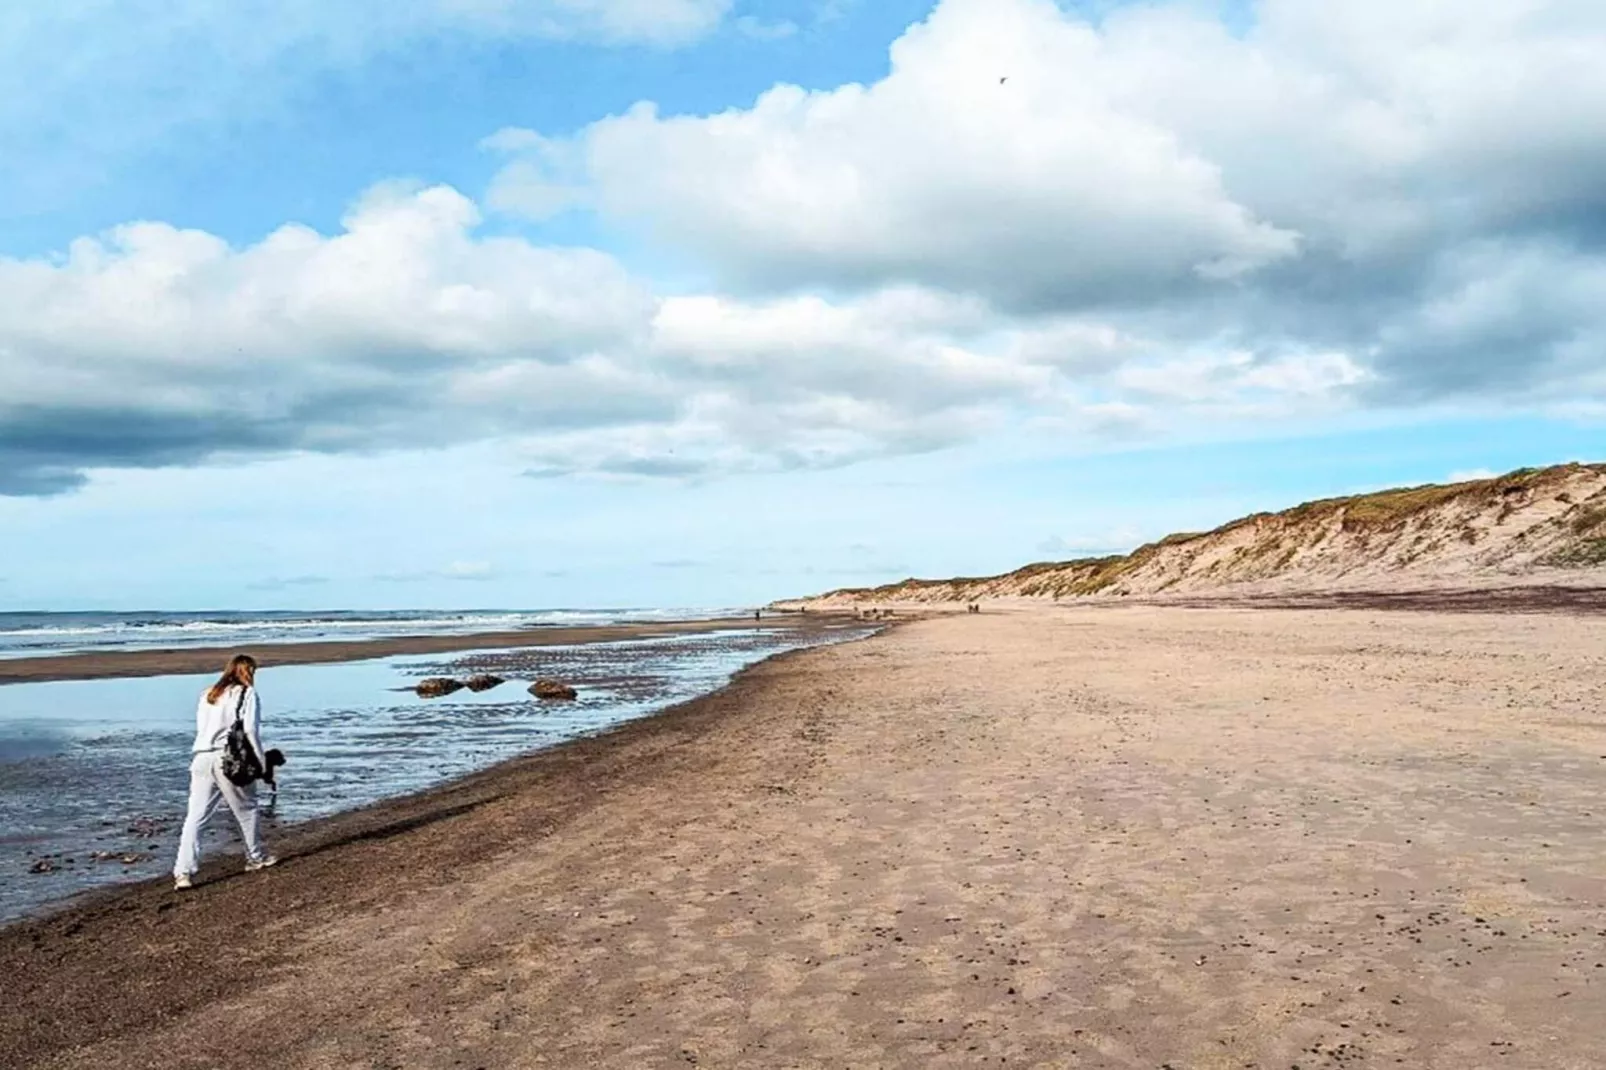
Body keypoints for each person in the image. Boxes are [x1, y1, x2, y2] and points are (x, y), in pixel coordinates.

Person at [172, 653, 277, 890]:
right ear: (249, 671)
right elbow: (250, 731)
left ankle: (183, 872)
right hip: (228, 760)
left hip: (201, 757)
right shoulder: (246, 693)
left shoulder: (208, 694)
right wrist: (261, 762)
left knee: (196, 817)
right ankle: (255, 857)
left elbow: (201, 728)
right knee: (247, 810)